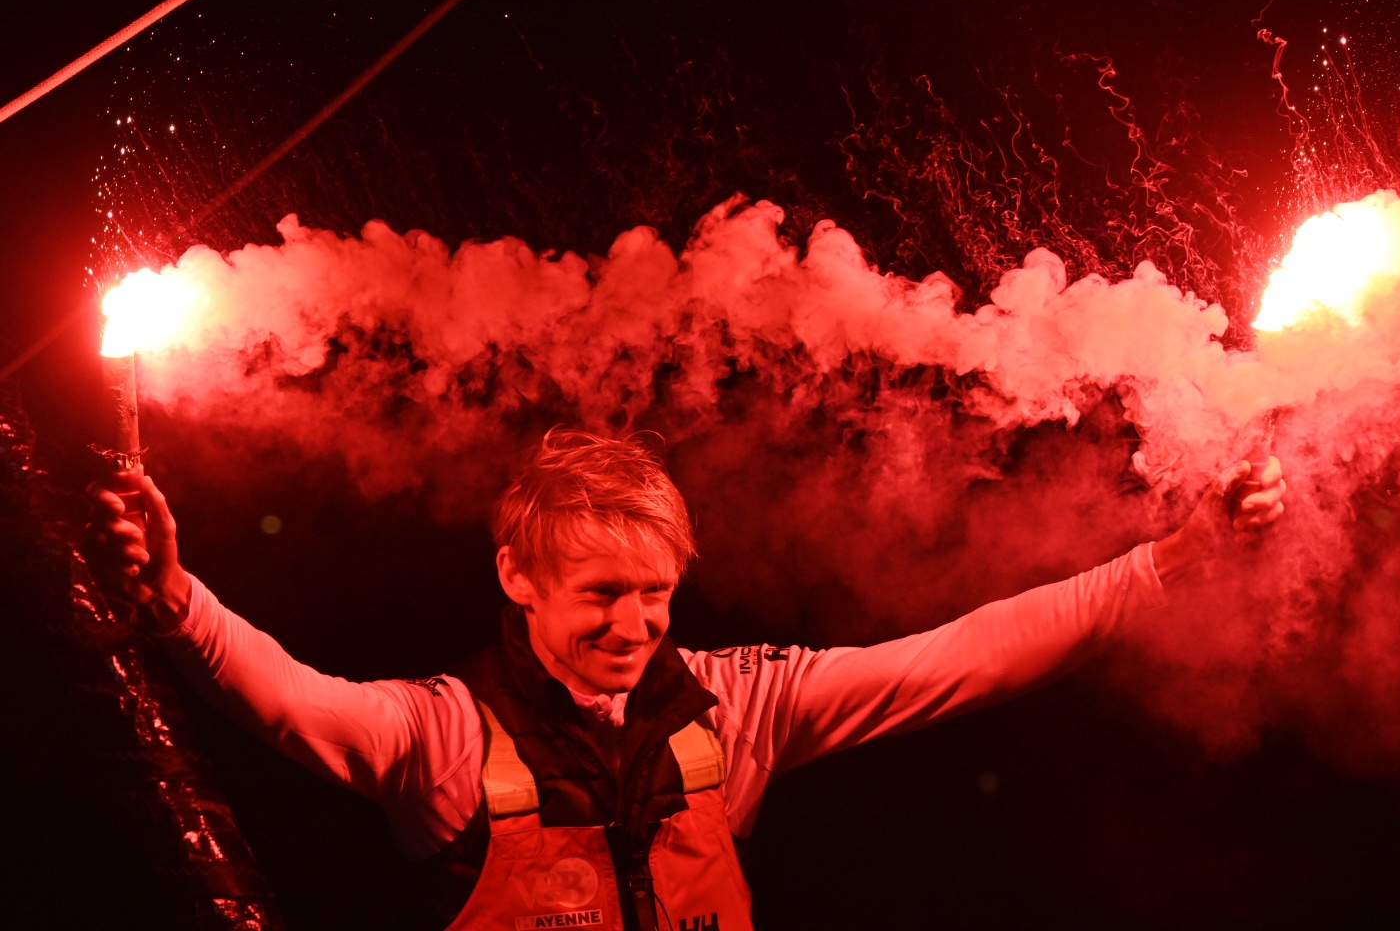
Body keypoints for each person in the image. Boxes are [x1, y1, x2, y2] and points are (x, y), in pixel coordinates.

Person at [87, 430, 1286, 931]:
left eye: (655, 594)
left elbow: (964, 658)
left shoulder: (735, 705)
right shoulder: (444, 738)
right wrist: (174, 600)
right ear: (518, 577)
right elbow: (295, 699)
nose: (636, 625)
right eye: (602, 594)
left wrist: (1168, 562)